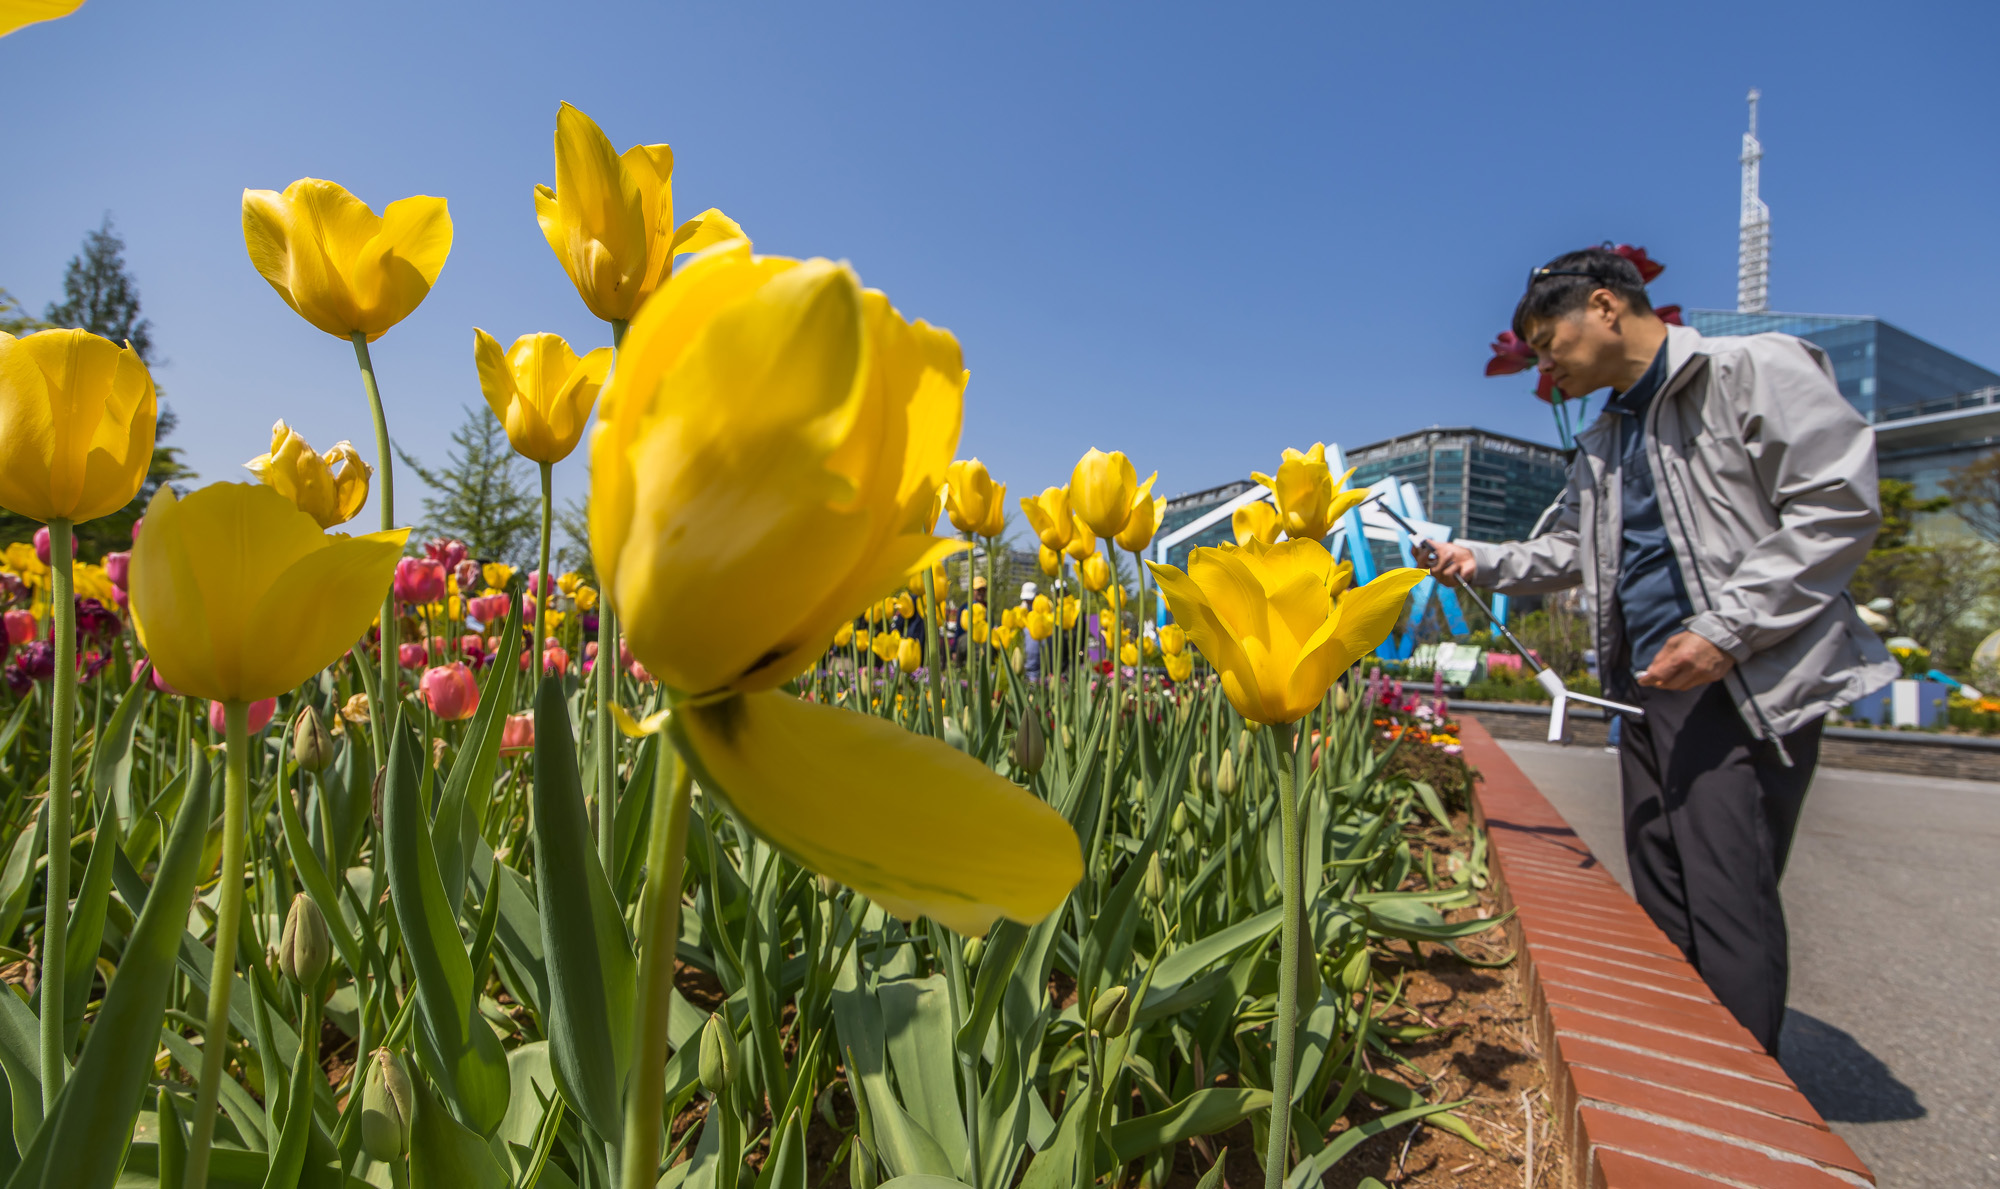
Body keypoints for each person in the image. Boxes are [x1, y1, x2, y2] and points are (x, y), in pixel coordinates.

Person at [1419, 246, 1895, 1055]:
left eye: (1546, 341)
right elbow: (1571, 548)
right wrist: (1479, 558)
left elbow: (1835, 505)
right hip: (1645, 685)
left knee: (1725, 893)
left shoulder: (1748, 369)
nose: (1543, 365)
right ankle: (1689, 1060)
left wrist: (1724, 631)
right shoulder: (1607, 437)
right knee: (1663, 882)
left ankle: (1745, 1092)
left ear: (1605, 306)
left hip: (1736, 677)